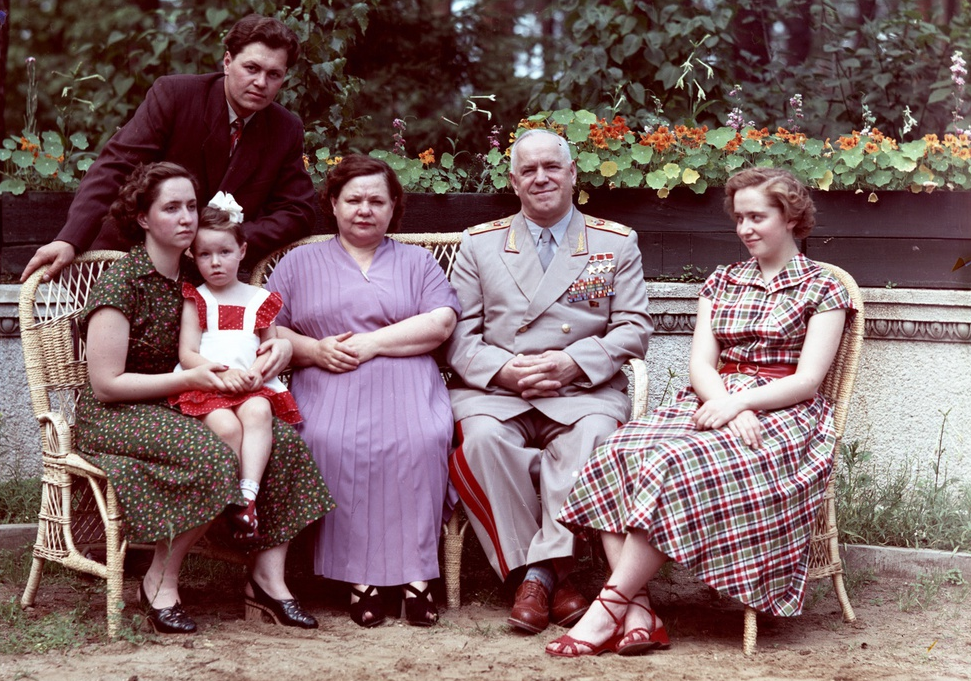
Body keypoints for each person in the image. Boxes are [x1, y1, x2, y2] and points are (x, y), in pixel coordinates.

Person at [547, 167, 856, 657]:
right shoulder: (723, 280)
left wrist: (740, 403)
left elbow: (808, 380)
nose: (745, 228)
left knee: (670, 462)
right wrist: (725, 405)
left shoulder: (823, 287)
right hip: (713, 400)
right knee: (616, 449)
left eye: (757, 217)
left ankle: (607, 609)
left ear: (791, 218)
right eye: (739, 218)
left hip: (783, 415)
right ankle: (639, 611)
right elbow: (700, 365)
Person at [77, 162, 334, 634]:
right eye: (171, 208)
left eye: (191, 206)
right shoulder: (123, 281)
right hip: (119, 411)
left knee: (283, 441)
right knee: (213, 454)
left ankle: (266, 579)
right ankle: (160, 580)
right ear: (143, 218)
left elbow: (246, 323)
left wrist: (280, 346)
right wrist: (194, 380)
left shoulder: (197, 274)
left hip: (186, 400)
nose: (186, 217)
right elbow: (105, 385)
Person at [445, 128, 654, 635]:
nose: (541, 178)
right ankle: (554, 577)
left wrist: (572, 363)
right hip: (497, 391)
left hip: (581, 391)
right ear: (514, 181)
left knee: (595, 437)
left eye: (552, 167)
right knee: (480, 442)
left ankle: (535, 578)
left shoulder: (613, 242)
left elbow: (634, 328)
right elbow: (457, 336)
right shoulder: (479, 244)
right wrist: (503, 369)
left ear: (573, 174)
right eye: (529, 170)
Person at [267, 154, 460, 628]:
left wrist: (372, 343)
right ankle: (360, 580)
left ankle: (417, 577)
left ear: (394, 207)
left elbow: (441, 321)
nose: (365, 210)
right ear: (333, 204)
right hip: (327, 380)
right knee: (333, 441)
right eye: (353, 199)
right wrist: (313, 349)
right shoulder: (299, 262)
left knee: (421, 438)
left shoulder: (417, 262)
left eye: (377, 200)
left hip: (408, 381)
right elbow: (266, 329)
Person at [20, 13, 315, 284]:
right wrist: (70, 239)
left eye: (274, 74)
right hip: (128, 261)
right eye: (251, 68)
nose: (261, 82)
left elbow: (298, 211)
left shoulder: (285, 128)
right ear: (227, 62)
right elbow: (114, 167)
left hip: (211, 279)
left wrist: (224, 239)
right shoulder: (176, 96)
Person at [169, 192, 302, 545]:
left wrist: (257, 372)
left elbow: (269, 347)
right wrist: (221, 374)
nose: (215, 262)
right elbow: (188, 353)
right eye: (205, 254)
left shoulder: (260, 299)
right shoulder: (197, 298)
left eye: (225, 252)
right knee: (227, 428)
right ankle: (227, 503)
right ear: (192, 256)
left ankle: (247, 497)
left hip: (249, 385)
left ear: (242, 251)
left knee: (259, 411)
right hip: (208, 383)